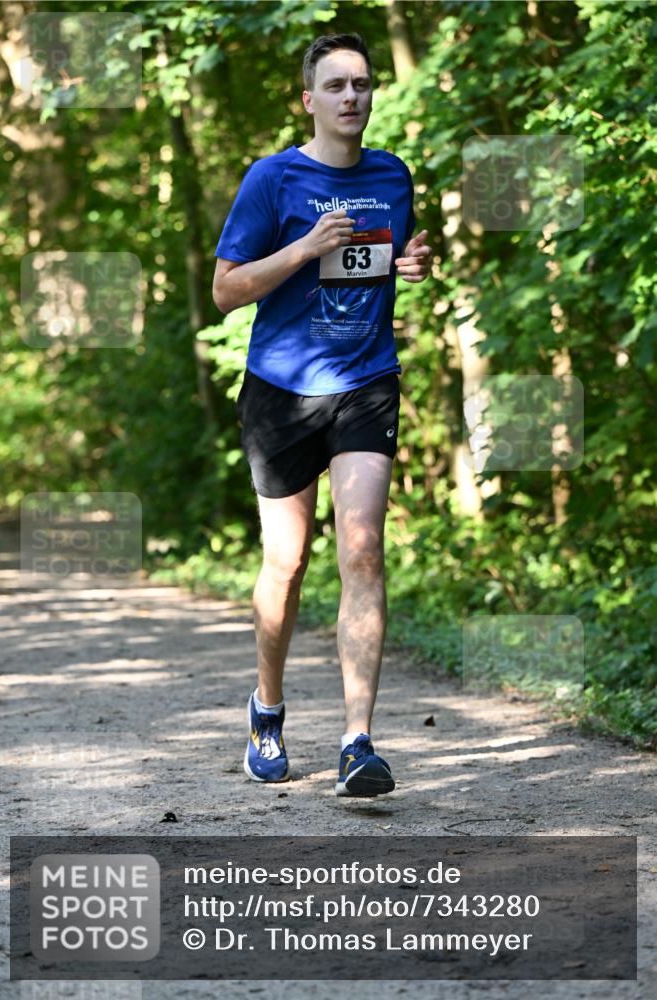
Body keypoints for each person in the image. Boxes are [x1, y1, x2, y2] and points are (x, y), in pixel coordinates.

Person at [212, 32, 432, 797]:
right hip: (279, 389)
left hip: (366, 380)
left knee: (362, 551)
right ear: (309, 100)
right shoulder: (272, 180)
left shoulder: (391, 177)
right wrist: (304, 248)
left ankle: (357, 742)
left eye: (361, 84)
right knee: (289, 561)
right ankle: (266, 709)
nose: (350, 97)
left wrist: (407, 262)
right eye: (334, 85)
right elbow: (227, 290)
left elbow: (378, 258)